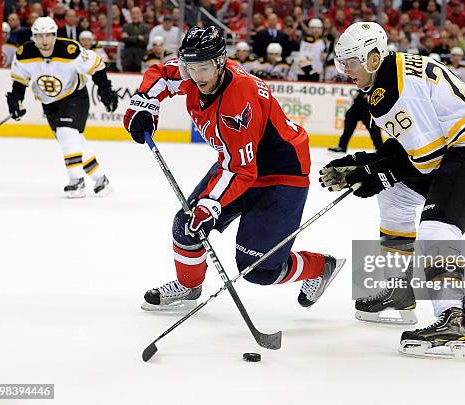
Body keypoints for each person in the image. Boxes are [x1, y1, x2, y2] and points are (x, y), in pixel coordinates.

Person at [322, 22, 465, 358]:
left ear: (373, 56)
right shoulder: (391, 73)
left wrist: (374, 173)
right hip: (458, 142)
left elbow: (427, 161)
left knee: (437, 226)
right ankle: (398, 290)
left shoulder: (391, 93)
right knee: (395, 195)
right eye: (343, 63)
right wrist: (368, 165)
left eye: (352, 62)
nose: (347, 71)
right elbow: (411, 147)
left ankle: (451, 321)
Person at [123, 26, 345, 311]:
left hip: (281, 172)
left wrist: (209, 205)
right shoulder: (193, 72)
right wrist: (145, 103)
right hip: (238, 163)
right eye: (190, 67)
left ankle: (319, 267)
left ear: (219, 62)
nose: (196, 76)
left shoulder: (238, 102)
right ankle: (189, 285)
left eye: (203, 68)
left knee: (258, 269)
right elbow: (163, 74)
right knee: (186, 226)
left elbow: (242, 171)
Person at [7, 17, 119, 198]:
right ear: (34, 37)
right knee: (72, 141)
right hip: (49, 103)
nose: (44, 40)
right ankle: (101, 180)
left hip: (74, 96)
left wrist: (106, 91)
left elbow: (97, 66)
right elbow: (19, 82)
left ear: (55, 35)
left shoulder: (70, 50)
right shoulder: (24, 54)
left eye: (48, 35)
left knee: (67, 132)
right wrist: (15, 101)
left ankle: (77, 181)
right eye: (40, 36)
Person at [121, 7, 150, 72]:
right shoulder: (126, 26)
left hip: (140, 59)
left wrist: (130, 38)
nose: (135, 15)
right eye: (133, 13)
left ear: (140, 14)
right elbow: (124, 39)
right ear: (130, 15)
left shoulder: (146, 27)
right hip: (127, 59)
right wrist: (138, 38)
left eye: (137, 13)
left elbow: (145, 42)